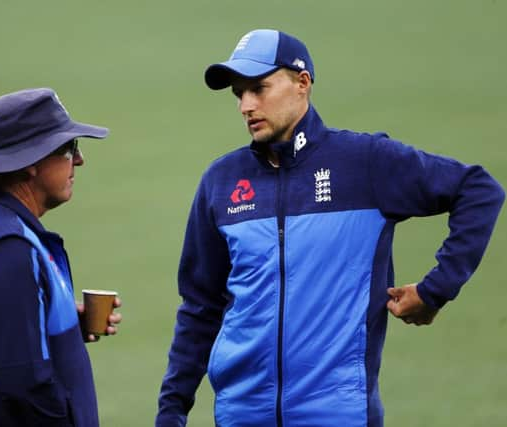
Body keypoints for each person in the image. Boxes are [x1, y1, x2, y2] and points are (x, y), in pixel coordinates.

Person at [155, 29, 505, 427]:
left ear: (302, 83)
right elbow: (201, 308)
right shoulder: (221, 181)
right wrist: (172, 411)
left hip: (340, 415)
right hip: (241, 415)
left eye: (259, 89)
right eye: (239, 94)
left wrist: (435, 290)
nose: (246, 106)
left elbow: (478, 190)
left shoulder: (364, 163)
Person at [0, 88, 122, 427]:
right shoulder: (8, 248)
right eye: (67, 149)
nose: (78, 160)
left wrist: (48, 325)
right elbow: (24, 384)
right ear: (31, 163)